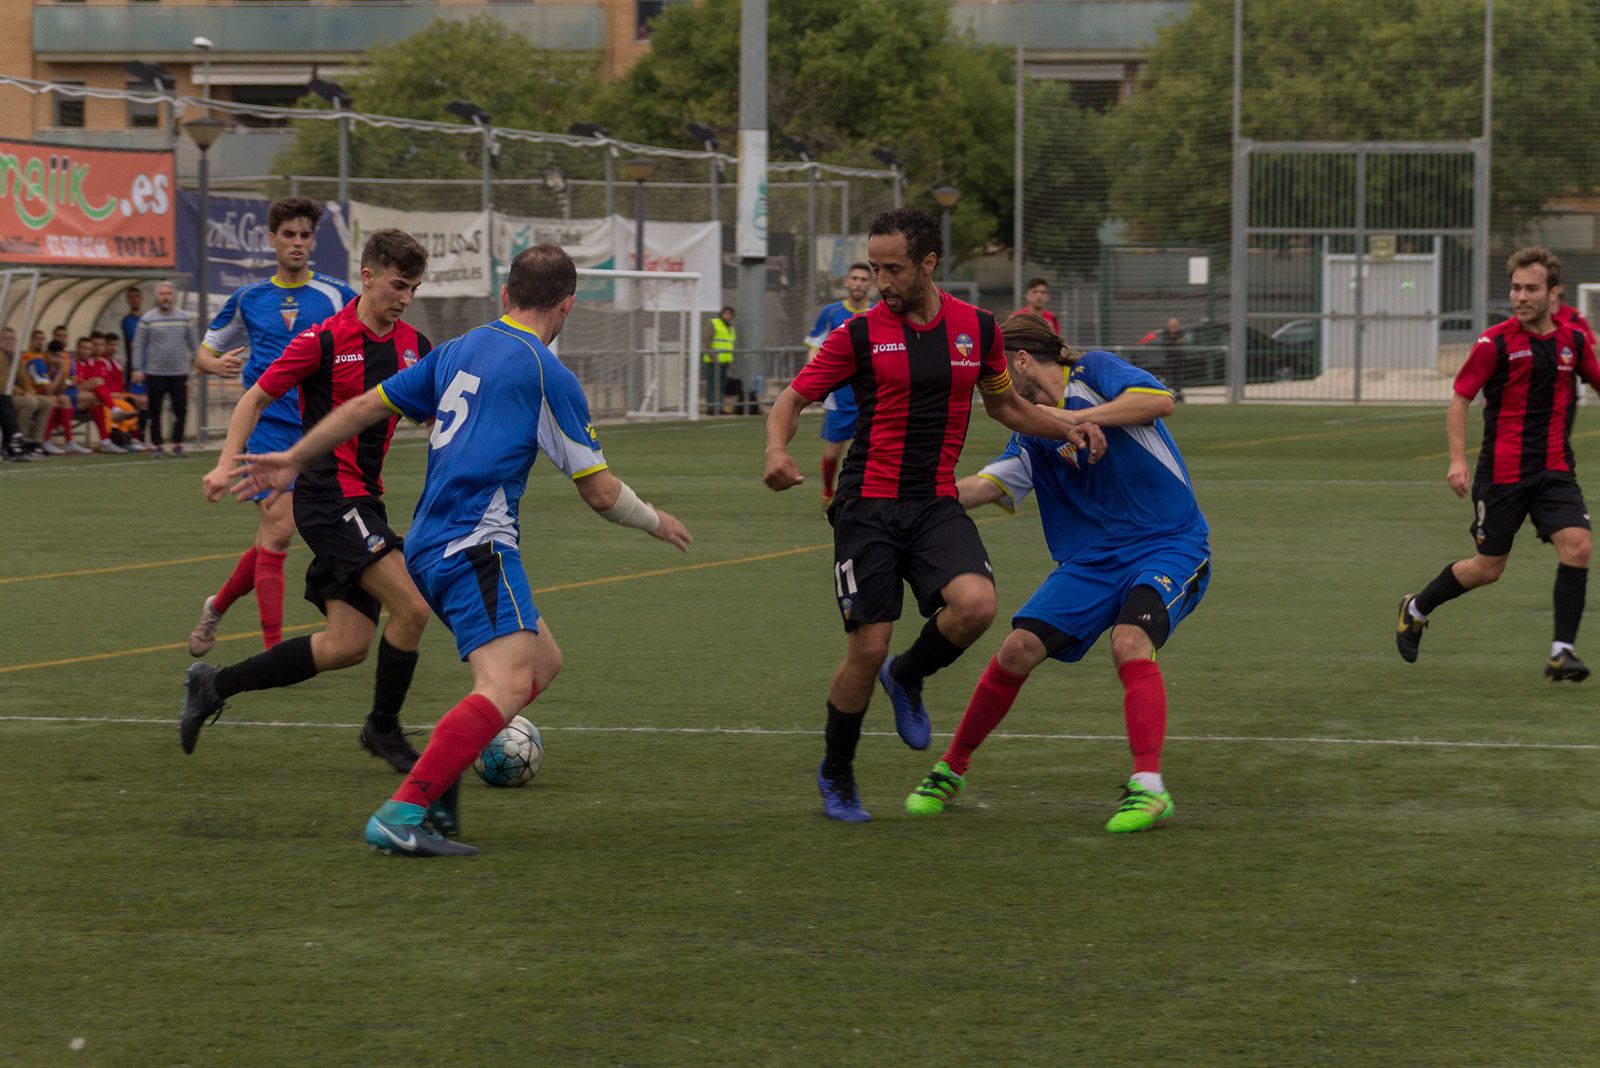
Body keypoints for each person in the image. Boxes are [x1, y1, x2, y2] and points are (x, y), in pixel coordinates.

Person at [234, 244, 693, 857]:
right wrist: (654, 520)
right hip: (475, 543)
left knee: (543, 661)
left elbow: (366, 405)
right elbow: (602, 494)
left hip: (426, 544)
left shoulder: (457, 349)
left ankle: (441, 786)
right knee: (506, 681)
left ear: (506, 297)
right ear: (568, 305)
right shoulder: (546, 373)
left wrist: (293, 455)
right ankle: (403, 812)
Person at [764, 208, 1101, 823]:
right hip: (866, 504)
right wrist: (776, 450)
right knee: (867, 646)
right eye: (874, 268)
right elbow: (793, 397)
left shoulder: (978, 329)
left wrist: (1069, 425)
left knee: (976, 606)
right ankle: (837, 773)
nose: (882, 281)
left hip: (933, 501)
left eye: (893, 269)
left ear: (928, 264)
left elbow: (1007, 409)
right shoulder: (858, 334)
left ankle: (910, 675)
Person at [904, 313, 1210, 832]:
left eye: (995, 372)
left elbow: (1160, 401)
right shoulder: (1032, 433)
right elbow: (986, 486)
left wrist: (1081, 418)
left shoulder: (1093, 372)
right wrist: (912, 505)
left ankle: (1149, 788)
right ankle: (949, 770)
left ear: (1021, 360)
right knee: (1017, 648)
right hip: (1092, 562)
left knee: (1130, 640)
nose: (992, 386)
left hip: (1168, 543)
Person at [181, 228, 434, 773]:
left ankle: (212, 684)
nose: (406, 299)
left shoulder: (415, 346)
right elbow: (254, 398)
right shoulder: (323, 340)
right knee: (412, 608)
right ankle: (382, 730)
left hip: (366, 501)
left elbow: (436, 417)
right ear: (367, 278)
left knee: (347, 645)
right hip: (325, 499)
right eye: (398, 285)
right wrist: (227, 462)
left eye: (414, 288)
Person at [1397, 246, 1600, 682]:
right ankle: (1415, 608)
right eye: (1515, 288)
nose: (1521, 296)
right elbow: (1460, 400)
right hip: (1503, 475)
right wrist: (1457, 460)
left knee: (1579, 547)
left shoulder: (1573, 341)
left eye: (1531, 288)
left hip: (1555, 471)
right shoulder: (1496, 342)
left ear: (1554, 293)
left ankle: (1561, 651)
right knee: (1488, 569)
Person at [186, 198, 358, 659]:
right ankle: (273, 650)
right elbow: (203, 351)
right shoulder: (249, 299)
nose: (297, 243)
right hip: (265, 430)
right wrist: (214, 363)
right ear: (272, 240)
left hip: (318, 431)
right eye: (289, 235)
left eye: (305, 236)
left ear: (313, 241)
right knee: (281, 529)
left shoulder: (337, 295)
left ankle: (217, 605)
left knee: (270, 538)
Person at [806, 263, 874, 508]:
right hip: (839, 395)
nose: (858, 283)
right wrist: (816, 379)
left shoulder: (879, 313)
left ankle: (865, 496)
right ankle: (827, 492)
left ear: (870, 284)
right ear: (846, 282)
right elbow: (815, 345)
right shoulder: (831, 312)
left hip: (871, 394)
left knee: (872, 450)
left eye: (863, 279)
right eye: (854, 278)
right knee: (833, 452)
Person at [134, 282, 198, 458]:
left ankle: (178, 444)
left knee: (180, 409)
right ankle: (157, 445)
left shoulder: (184, 318)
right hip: (155, 373)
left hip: (179, 373)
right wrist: (137, 368)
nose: (165, 297)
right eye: (162, 294)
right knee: (154, 411)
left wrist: (200, 363)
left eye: (168, 294)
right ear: (157, 296)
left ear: (173, 296)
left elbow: (194, 345)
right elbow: (138, 345)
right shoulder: (148, 319)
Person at [73, 334, 126, 453]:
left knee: (98, 397)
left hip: (88, 398)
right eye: (83, 348)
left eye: (88, 348)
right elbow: (74, 384)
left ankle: (107, 441)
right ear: (77, 348)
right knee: (98, 383)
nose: (87, 351)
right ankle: (114, 410)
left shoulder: (90, 363)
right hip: (71, 397)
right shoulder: (72, 362)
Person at [703, 305, 735, 414]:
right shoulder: (714, 323)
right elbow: (707, 340)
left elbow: (729, 345)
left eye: (730, 314)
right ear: (721, 314)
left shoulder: (730, 328)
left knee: (722, 385)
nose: (728, 316)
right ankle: (712, 407)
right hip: (714, 361)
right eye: (726, 313)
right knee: (713, 384)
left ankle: (719, 406)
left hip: (725, 361)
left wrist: (731, 361)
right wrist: (712, 355)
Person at [1156, 317, 1188, 401]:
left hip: (1179, 359)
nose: (1173, 325)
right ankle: (1170, 396)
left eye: (1175, 323)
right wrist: (1175, 342)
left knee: (1179, 378)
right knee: (1170, 378)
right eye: (1172, 323)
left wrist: (1174, 342)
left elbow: (1181, 342)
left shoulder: (1180, 332)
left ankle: (1179, 396)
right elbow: (1164, 343)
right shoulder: (1165, 332)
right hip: (1169, 359)